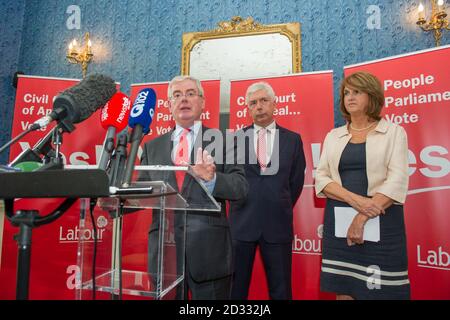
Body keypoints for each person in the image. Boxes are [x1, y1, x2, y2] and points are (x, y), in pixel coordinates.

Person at [139, 75, 248, 300]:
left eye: (190, 93)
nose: (184, 99)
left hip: (210, 256)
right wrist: (108, 198)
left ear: (202, 102)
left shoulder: (225, 140)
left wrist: (213, 179)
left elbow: (241, 188)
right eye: (176, 95)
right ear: (169, 105)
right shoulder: (152, 146)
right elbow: (141, 192)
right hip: (164, 255)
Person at [315, 71, 410, 300]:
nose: (350, 97)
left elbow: (397, 179)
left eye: (357, 92)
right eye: (347, 93)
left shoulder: (394, 132)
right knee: (344, 290)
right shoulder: (333, 136)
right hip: (339, 222)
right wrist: (355, 201)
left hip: (383, 220)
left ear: (372, 96)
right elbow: (321, 178)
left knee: (384, 292)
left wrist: (361, 216)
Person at [229, 82, 306, 300]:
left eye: (264, 101)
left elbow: (296, 182)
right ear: (248, 108)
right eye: (253, 103)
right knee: (235, 290)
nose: (259, 106)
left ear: (275, 104)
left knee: (281, 290)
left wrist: (276, 202)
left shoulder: (293, 140)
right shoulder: (234, 140)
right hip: (241, 225)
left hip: (277, 224)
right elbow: (230, 181)